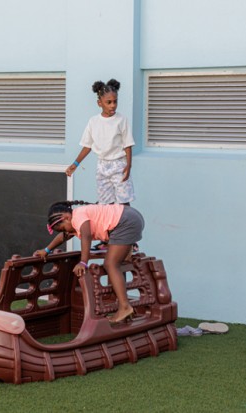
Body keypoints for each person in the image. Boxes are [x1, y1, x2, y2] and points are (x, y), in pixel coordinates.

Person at [34, 200, 144, 323]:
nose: (66, 232)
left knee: (110, 264)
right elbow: (63, 237)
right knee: (119, 262)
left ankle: (125, 307)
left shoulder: (78, 217)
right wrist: (46, 250)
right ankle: (125, 304)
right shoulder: (75, 220)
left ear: (66, 217)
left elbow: (86, 236)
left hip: (124, 222)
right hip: (129, 217)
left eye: (64, 228)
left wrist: (83, 262)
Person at [65, 79, 136, 252]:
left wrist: (128, 165)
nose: (113, 106)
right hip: (102, 166)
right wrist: (75, 164)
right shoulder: (93, 122)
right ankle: (108, 238)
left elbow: (127, 144)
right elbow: (87, 146)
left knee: (123, 202)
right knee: (106, 204)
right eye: (108, 102)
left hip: (119, 164)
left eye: (115, 101)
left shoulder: (121, 120)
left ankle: (130, 240)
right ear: (100, 103)